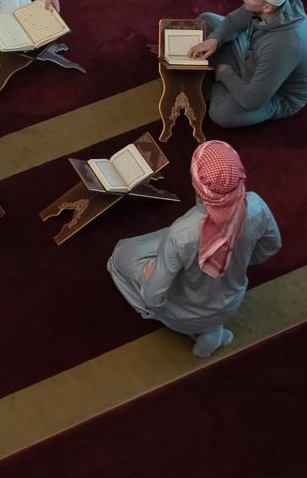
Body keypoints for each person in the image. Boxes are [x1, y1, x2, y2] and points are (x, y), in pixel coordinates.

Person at [106, 140, 281, 358]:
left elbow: (153, 297)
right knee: (174, 252)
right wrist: (233, 258)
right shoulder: (255, 206)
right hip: (230, 304)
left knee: (121, 253)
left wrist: (150, 274)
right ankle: (210, 330)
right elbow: (271, 247)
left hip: (182, 314)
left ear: (196, 182)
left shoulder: (182, 233)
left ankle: (197, 330)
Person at [187, 0, 307, 128]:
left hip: (275, 95)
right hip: (253, 58)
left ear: (267, 7)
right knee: (207, 21)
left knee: (221, 114)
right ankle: (229, 77)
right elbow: (234, 21)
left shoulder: (284, 46)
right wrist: (214, 40)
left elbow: (253, 100)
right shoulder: (270, 5)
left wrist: (224, 73)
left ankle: (221, 77)